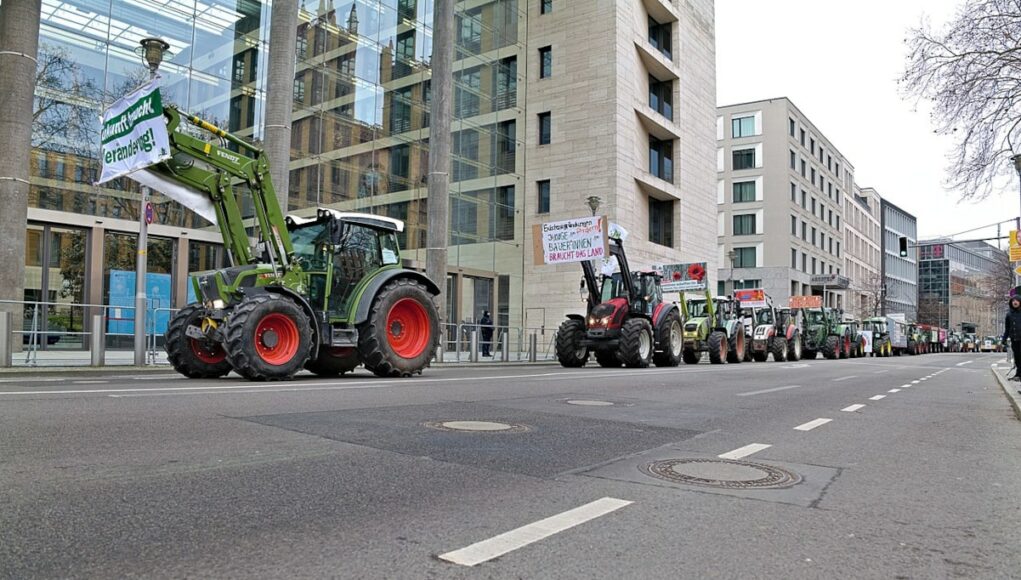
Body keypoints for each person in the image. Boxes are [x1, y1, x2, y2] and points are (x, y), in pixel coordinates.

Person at [1003, 296, 1021, 380]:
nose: (1015, 302)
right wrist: (1004, 339)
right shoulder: (1009, 314)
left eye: (1017, 300)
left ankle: (1019, 374)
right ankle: (1018, 374)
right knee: (1017, 357)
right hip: (1014, 339)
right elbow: (1007, 328)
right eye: (1013, 300)